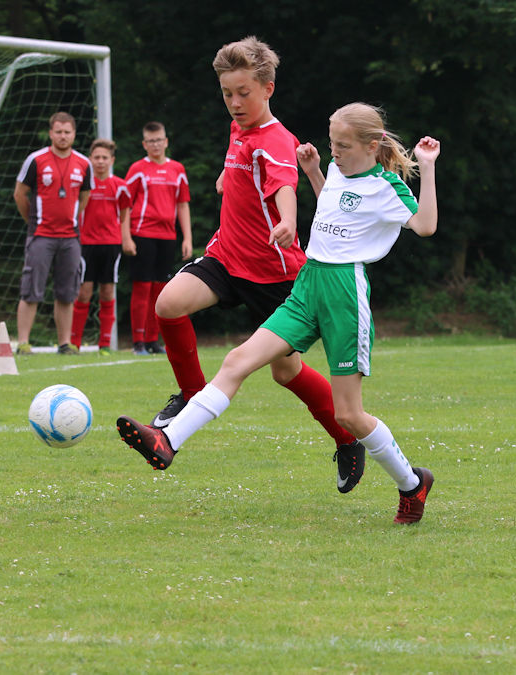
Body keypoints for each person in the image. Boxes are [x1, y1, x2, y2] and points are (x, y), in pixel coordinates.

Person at [118, 103, 440, 524]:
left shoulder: (386, 187)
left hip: (345, 295)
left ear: (372, 144)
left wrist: (428, 167)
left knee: (349, 414)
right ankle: (166, 441)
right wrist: (313, 172)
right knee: (237, 361)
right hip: (307, 286)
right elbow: (334, 205)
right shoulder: (339, 169)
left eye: (342, 146)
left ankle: (413, 485)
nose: (334, 151)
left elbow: (425, 225)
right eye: (331, 144)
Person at [143, 36, 365, 493]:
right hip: (228, 256)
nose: (235, 102)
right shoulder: (239, 128)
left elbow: (284, 182)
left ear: (268, 88)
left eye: (244, 92)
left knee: (286, 372)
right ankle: (190, 395)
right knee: (169, 304)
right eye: (227, 93)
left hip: (276, 274)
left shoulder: (277, 140)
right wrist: (230, 174)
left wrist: (287, 220)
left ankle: (347, 439)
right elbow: (247, 163)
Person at [14, 112, 93, 356]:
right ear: (51, 133)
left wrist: (71, 219)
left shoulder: (83, 163)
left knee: (67, 292)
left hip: (70, 237)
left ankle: (64, 343)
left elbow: (84, 197)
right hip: (41, 234)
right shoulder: (35, 160)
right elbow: (20, 194)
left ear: (74, 134)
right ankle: (24, 343)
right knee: (31, 290)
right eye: (58, 131)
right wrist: (33, 221)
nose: (62, 136)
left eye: (67, 132)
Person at [122, 121, 193, 355]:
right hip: (142, 234)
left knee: (161, 289)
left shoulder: (177, 169)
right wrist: (127, 237)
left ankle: (153, 340)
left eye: (159, 140)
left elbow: (182, 205)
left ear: (166, 141)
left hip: (167, 236)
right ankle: (138, 342)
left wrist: (187, 238)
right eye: (150, 141)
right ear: (144, 144)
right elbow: (124, 205)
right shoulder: (137, 169)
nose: (155, 145)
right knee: (142, 287)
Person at [73, 138, 131, 352]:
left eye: (104, 157)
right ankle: (74, 343)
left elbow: (124, 214)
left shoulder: (121, 187)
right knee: (84, 292)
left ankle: (104, 344)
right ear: (90, 159)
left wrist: (126, 239)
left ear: (112, 160)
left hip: (111, 245)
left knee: (107, 292)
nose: (100, 161)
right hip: (86, 244)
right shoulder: (82, 185)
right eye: (96, 157)